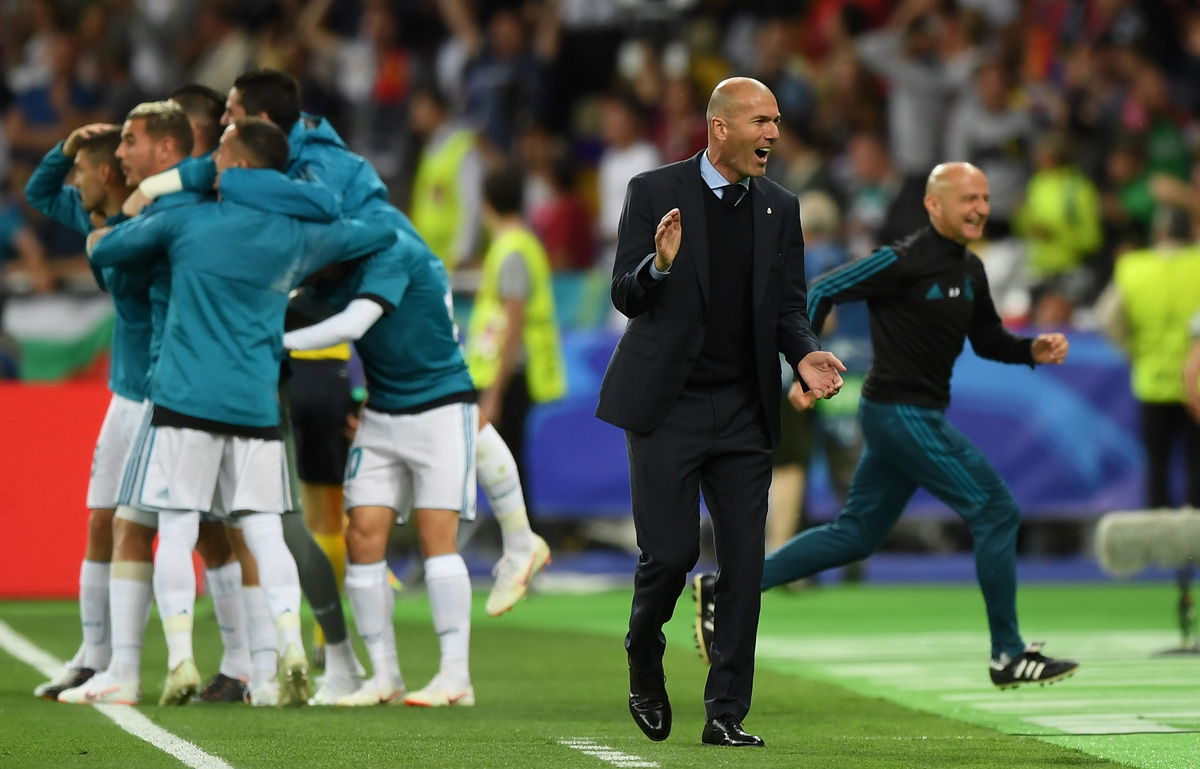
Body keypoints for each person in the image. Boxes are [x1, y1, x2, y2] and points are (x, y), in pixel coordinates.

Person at [133, 67, 553, 626]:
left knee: (441, 395)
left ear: (258, 118)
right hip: (345, 278)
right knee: (424, 402)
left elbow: (319, 210)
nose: (224, 122)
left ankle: (520, 541)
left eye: (232, 111)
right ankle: (491, 546)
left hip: (395, 268)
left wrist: (184, 188)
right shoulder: (281, 153)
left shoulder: (316, 160)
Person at [694, 162, 1081, 691]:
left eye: (985, 198)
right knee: (996, 511)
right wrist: (805, 366)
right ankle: (1008, 655)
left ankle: (727, 590)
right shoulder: (900, 260)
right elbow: (821, 290)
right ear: (933, 205)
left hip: (906, 415)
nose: (980, 209)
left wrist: (1031, 349)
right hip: (901, 413)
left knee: (856, 535)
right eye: (967, 198)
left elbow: (989, 339)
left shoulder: (970, 269)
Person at [86, 116, 398, 708]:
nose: (212, 163)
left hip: (185, 401)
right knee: (264, 530)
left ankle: (179, 659)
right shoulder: (297, 234)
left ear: (240, 165)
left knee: (177, 528)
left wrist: (144, 199)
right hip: (256, 406)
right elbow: (374, 232)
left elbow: (111, 249)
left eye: (221, 154)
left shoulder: (187, 219)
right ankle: (291, 645)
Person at [595, 77, 846, 747]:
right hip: (667, 405)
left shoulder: (781, 207)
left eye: (777, 121)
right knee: (670, 555)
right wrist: (658, 265)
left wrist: (805, 354)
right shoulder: (653, 190)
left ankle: (726, 712)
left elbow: (788, 306)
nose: (774, 134)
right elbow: (625, 294)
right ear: (721, 128)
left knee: (745, 565)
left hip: (743, 407)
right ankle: (643, 651)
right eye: (761, 121)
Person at [22, 123, 136, 700]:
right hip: (127, 389)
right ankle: (93, 656)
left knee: (208, 532)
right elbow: (38, 193)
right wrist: (64, 148)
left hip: (170, 390)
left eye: (82, 169)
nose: (73, 179)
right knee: (101, 519)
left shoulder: (150, 220)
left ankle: (245, 663)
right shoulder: (91, 208)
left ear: (107, 173)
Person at [467, 164, 558, 616]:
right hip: (509, 373)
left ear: (486, 204)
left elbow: (513, 319)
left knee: (506, 464)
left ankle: (522, 552)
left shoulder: (511, 250)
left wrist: (495, 391)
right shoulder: (519, 245)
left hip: (507, 374)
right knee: (509, 463)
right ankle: (521, 550)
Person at [1097, 206, 1200, 509]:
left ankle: (1158, 531)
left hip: (1151, 378)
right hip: (1196, 384)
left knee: (1157, 464)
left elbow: (1107, 317)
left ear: (1158, 233)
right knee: (1197, 462)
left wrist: (1133, 349)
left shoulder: (1134, 267)